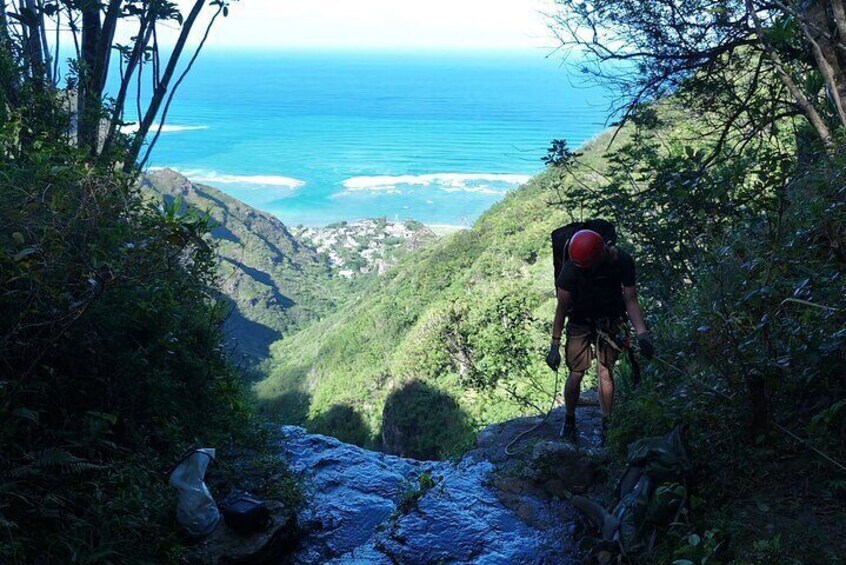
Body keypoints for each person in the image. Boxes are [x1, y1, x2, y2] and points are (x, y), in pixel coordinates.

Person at [545, 229, 653, 442]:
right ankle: (569, 421)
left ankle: (607, 424)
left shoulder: (621, 260)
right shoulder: (571, 270)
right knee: (576, 372)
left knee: (605, 371)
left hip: (609, 318)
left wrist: (643, 335)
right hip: (579, 320)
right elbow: (562, 308)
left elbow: (630, 299)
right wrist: (554, 345)